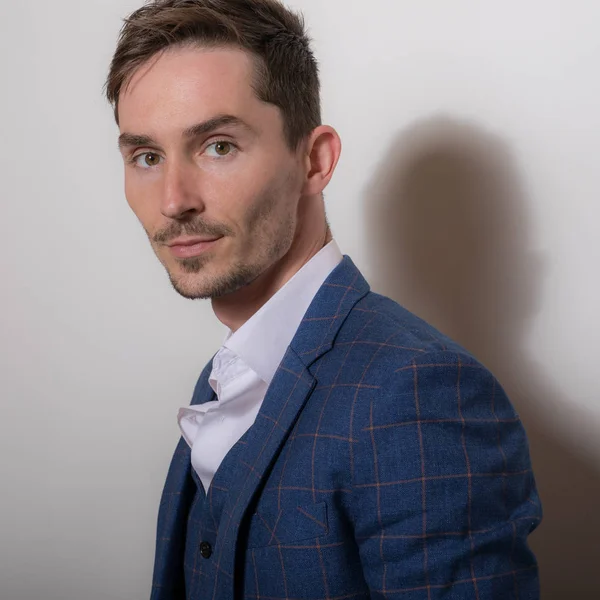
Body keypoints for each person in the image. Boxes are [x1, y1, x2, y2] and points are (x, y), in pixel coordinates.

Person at [105, 1, 541, 598]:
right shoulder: (228, 373)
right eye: (147, 157)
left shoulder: (418, 391)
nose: (175, 199)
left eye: (218, 146)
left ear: (315, 160)